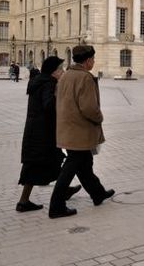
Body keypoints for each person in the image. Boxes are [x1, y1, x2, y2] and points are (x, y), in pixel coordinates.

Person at [48, 45, 114, 219]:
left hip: (67, 128)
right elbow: (89, 108)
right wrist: (99, 117)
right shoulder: (85, 78)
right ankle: (56, 205)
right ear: (87, 61)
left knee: (84, 166)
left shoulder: (66, 75)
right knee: (70, 168)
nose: (93, 62)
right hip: (79, 130)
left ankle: (97, 193)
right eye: (93, 59)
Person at [17, 56, 81, 212]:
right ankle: (24, 201)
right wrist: (61, 95)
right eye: (61, 69)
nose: (63, 71)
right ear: (54, 71)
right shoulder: (49, 84)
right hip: (43, 133)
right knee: (44, 162)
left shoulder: (39, 81)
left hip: (35, 130)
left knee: (45, 163)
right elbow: (49, 105)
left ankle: (61, 191)